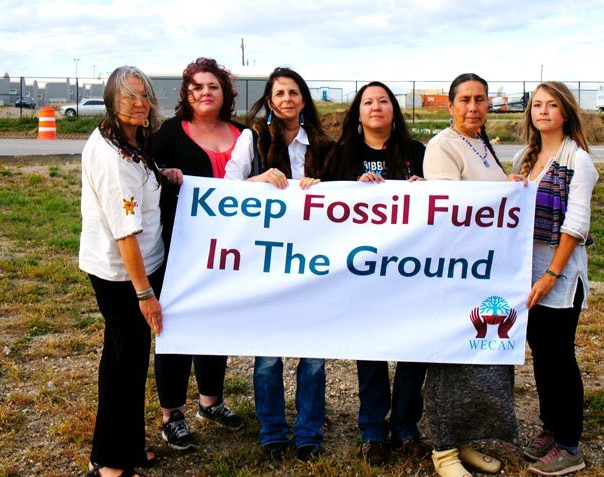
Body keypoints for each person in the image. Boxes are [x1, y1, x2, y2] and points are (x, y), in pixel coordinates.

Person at [226, 67, 335, 460]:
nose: (286, 99)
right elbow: (226, 184)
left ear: (303, 99)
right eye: (279, 93)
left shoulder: (323, 144)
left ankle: (309, 432)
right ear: (270, 100)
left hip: (314, 259)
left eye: (293, 92)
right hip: (266, 258)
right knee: (268, 355)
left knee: (313, 354)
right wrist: (257, 180)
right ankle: (272, 429)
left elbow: (348, 195)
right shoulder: (251, 139)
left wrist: (326, 188)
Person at [79, 66, 182, 477]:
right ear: (111, 100)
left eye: (144, 95)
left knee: (129, 361)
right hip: (122, 275)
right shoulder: (110, 156)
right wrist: (145, 295)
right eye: (129, 97)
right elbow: (125, 233)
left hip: (138, 267)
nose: (139, 103)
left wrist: (163, 176)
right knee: (124, 364)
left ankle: (125, 448)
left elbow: (143, 185)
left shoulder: (131, 140)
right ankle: (109, 463)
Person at [422, 73, 515, 477]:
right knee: (449, 362)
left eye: (480, 99)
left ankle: (464, 441)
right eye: (465, 100)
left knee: (476, 361)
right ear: (451, 105)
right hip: (457, 269)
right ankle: (443, 452)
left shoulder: (480, 142)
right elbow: (452, 207)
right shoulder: (443, 146)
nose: (473, 107)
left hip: (486, 270)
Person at [332, 81, 429, 467]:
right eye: (368, 102)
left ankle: (405, 426)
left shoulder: (417, 153)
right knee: (369, 348)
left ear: (394, 109)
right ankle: (372, 430)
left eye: (383, 101)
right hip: (363, 270)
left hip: (413, 268)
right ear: (358, 112)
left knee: (412, 348)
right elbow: (322, 203)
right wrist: (352, 193)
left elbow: (451, 203)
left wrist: (426, 188)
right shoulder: (342, 155)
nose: (376, 107)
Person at [152, 57, 246, 451]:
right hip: (178, 247)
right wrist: (163, 173)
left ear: (225, 92)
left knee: (216, 322)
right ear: (186, 95)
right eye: (196, 87)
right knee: (174, 326)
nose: (204, 93)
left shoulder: (244, 134)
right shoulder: (169, 133)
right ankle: (171, 415)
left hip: (230, 248)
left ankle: (211, 401)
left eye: (212, 86)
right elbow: (142, 171)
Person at [509, 81, 598, 476]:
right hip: (524, 274)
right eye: (537, 105)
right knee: (542, 357)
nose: (542, 111)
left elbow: (576, 226)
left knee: (560, 358)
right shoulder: (522, 159)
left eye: (551, 105)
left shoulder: (579, 161)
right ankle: (550, 427)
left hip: (558, 277)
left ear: (566, 113)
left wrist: (550, 274)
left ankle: (570, 445)